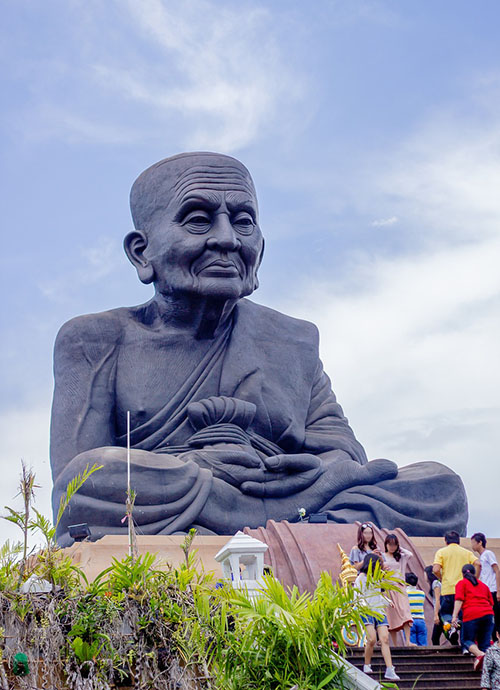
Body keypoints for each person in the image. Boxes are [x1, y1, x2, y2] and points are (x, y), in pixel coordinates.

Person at [50, 152, 470, 544]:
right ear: (142, 253)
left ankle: (251, 520)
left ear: (261, 248)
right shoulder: (95, 339)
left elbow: (344, 453)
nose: (227, 239)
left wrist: (312, 474)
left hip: (284, 493)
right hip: (181, 496)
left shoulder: (293, 339)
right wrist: (204, 469)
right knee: (93, 482)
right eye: (198, 220)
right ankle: (291, 523)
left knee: (440, 485)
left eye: (244, 221)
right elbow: (73, 481)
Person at [354, 553, 400, 682]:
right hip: (367, 611)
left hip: (379, 610)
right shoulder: (361, 578)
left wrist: (387, 602)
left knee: (385, 639)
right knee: (372, 639)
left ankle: (390, 669)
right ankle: (367, 664)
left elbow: (377, 595)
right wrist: (365, 608)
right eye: (378, 564)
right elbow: (358, 596)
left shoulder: (377, 579)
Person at [433, 531, 480, 640]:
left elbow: (435, 569)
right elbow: (478, 563)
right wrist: (475, 579)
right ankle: (465, 643)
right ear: (458, 541)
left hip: (448, 589)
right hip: (464, 589)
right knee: (462, 615)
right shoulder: (466, 552)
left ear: (446, 541)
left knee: (445, 613)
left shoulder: (441, 552)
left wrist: (442, 578)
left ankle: (450, 627)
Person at [452, 564, 494, 671]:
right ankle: (487, 673)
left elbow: (459, 600)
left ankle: (479, 654)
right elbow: (491, 603)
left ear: (462, 574)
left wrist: (454, 617)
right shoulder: (483, 585)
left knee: (466, 640)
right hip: (488, 615)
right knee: (484, 644)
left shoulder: (461, 583)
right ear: (474, 573)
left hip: (472, 614)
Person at [383, 534, 413, 645]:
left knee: (405, 613)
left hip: (399, 587)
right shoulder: (382, 556)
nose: (392, 547)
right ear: (386, 544)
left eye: (394, 545)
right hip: (388, 589)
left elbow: (410, 554)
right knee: (391, 616)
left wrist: (399, 548)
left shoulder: (400, 557)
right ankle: (395, 644)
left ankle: (408, 641)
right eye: (390, 544)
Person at [471, 533, 500, 638]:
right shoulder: (482, 557)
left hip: (492, 590)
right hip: (486, 591)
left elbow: (497, 570)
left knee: (495, 617)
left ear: (480, 542)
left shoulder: (488, 554)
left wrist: (498, 590)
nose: (472, 545)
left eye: (473, 543)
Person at [405, 572, 427, 646]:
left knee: (412, 646)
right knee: (423, 645)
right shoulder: (422, 593)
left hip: (410, 621)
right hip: (421, 620)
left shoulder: (404, 594)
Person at [425, 564, 444, 645]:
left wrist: (436, 615)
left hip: (440, 612)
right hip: (441, 612)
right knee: (436, 637)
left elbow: (437, 599)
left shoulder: (435, 583)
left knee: (435, 637)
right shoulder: (436, 583)